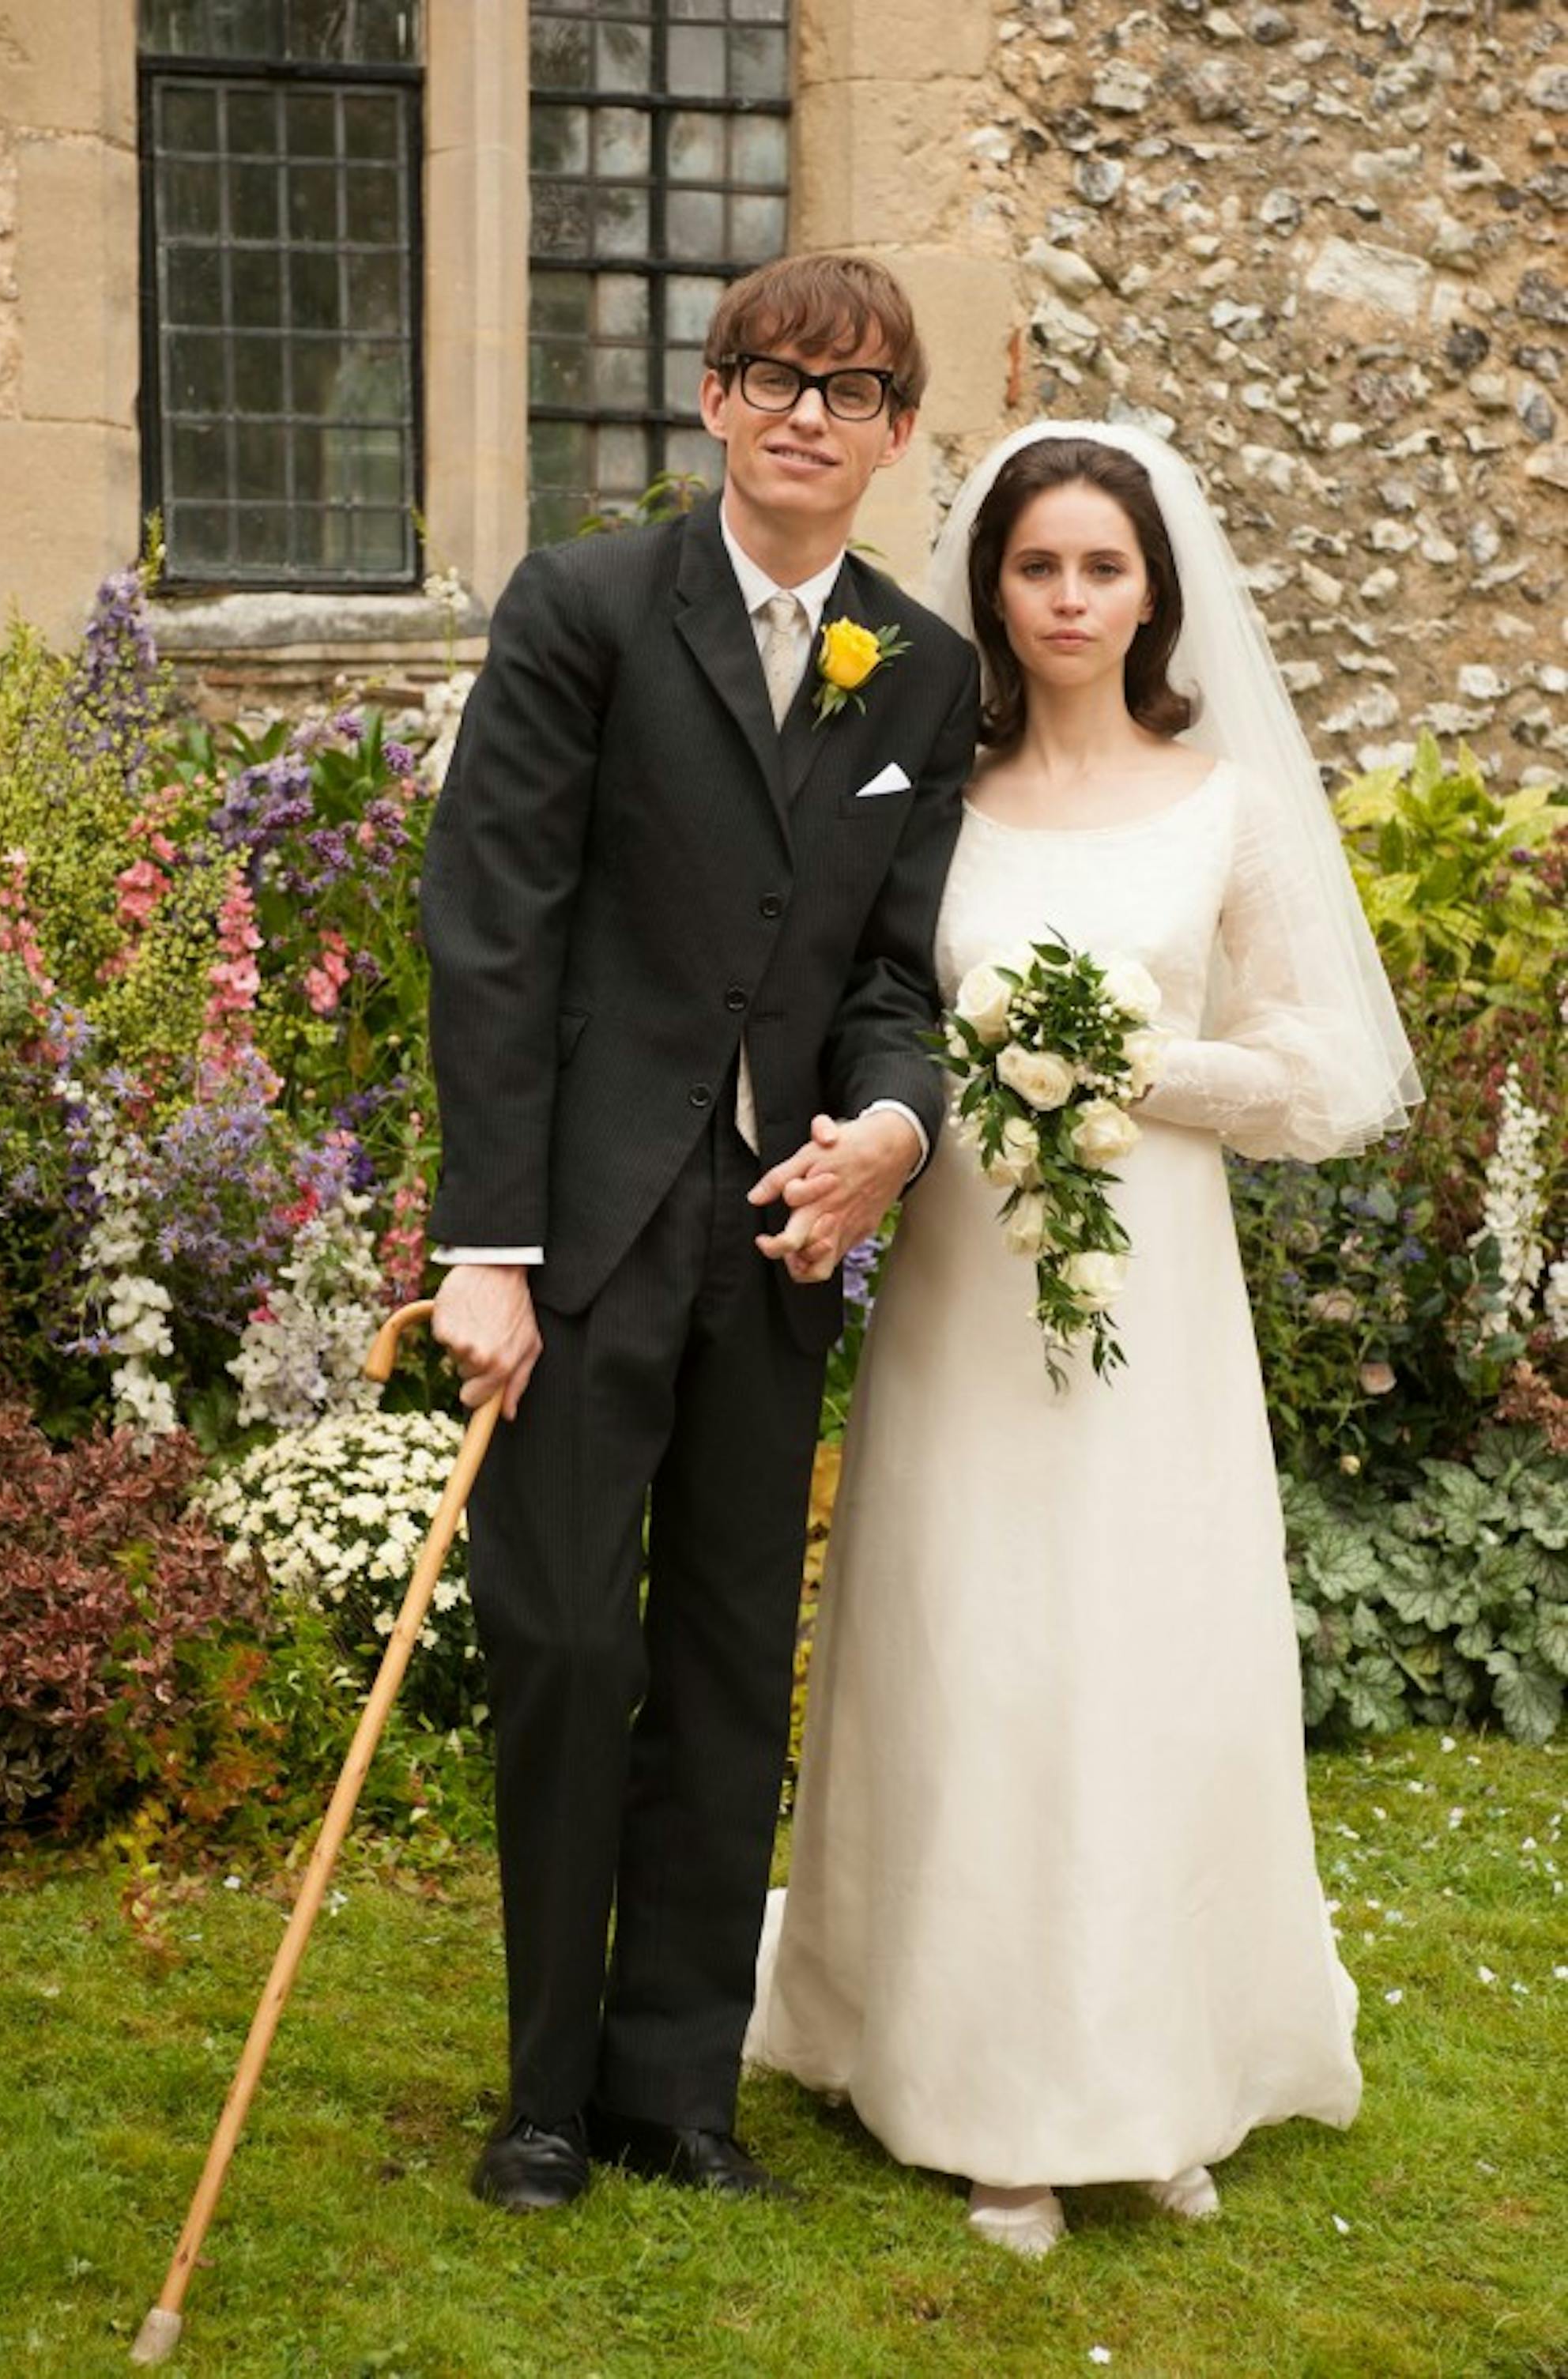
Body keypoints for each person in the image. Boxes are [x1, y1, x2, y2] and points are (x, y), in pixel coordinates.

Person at [744, 422, 1421, 2257]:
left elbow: (1325, 1076)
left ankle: (1158, 2067)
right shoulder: (930, 794)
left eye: (1098, 569)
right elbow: (856, 1000)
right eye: (1034, 568)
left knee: (1139, 1654)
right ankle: (983, 2086)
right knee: (974, 1646)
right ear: (992, 587)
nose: (1063, 599)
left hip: (1155, 1304)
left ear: (1151, 590)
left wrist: (1129, 1067)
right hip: (966, 1291)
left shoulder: (1226, 806)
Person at [420, 253, 980, 2213]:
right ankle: (546, 2093)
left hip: (779, 1236)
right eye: (772, 375)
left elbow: (895, 969)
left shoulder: (921, 668)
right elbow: (490, 932)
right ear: (715, 401)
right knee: (569, 1638)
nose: (808, 413)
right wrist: (483, 1243)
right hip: (579, 1225)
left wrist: (892, 1133)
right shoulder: (583, 607)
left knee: (734, 1648)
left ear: (900, 430)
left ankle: (674, 2086)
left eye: (851, 388)